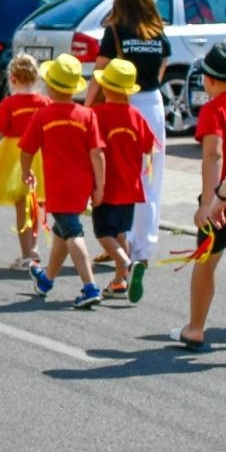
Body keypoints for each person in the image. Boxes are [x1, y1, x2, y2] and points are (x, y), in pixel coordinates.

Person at [83, 0, 169, 289]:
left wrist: (89, 106)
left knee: (119, 172)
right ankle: (142, 248)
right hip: (152, 101)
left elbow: (99, 72)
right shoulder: (158, 31)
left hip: (123, 102)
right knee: (150, 177)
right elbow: (163, 64)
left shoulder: (116, 31)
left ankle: (123, 243)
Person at [172, 43, 226, 352]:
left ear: (210, 80)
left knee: (206, 262)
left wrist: (209, 201)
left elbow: (213, 153)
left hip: (223, 199)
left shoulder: (214, 109)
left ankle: (195, 328)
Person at [21, 55, 105, 309]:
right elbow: (97, 153)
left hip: (58, 186)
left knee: (72, 232)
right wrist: (100, 185)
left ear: (49, 86)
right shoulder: (87, 115)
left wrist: (27, 172)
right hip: (82, 185)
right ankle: (46, 279)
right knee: (62, 231)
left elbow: (26, 150)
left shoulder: (43, 115)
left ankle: (89, 286)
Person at [90, 60, 157, 299]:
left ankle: (127, 263)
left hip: (107, 185)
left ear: (105, 87)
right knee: (121, 233)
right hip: (131, 184)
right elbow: (150, 147)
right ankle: (119, 282)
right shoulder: (136, 115)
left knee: (103, 233)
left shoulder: (96, 114)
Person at [0, 53, 47, 272]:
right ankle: (32, 249)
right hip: (40, 154)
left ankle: (27, 255)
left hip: (15, 154)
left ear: (12, 78)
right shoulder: (44, 102)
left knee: (22, 206)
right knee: (35, 204)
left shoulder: (9, 103)